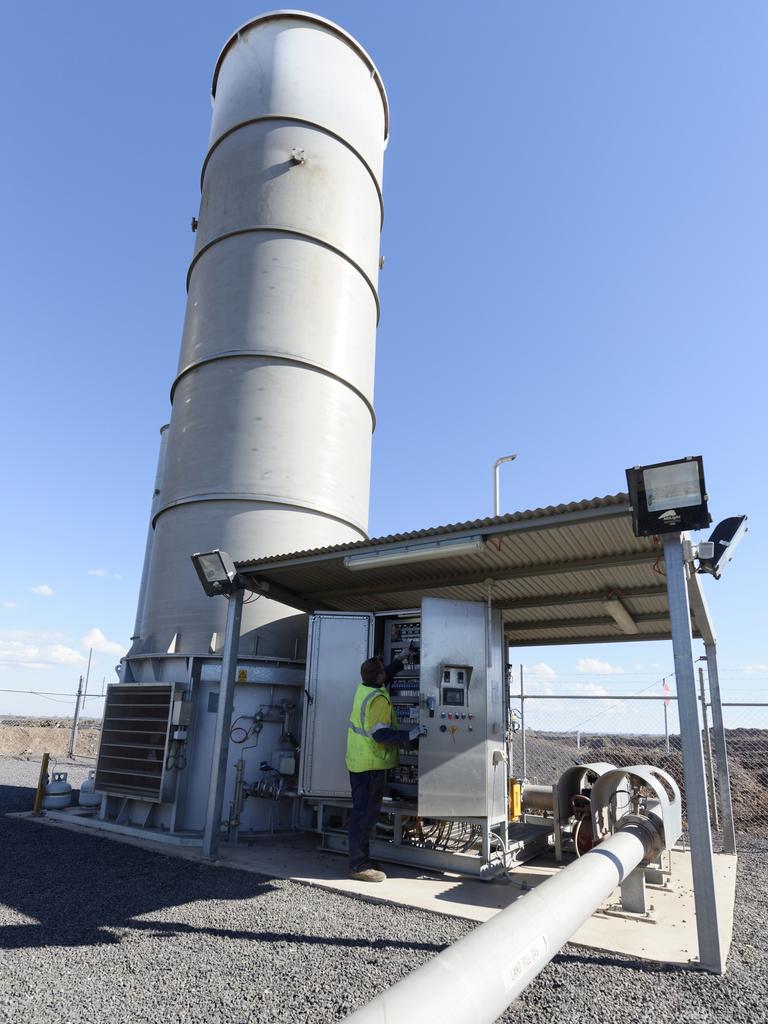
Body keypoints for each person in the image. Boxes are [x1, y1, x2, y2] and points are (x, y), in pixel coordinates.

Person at [345, 655, 426, 882]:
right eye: (383, 670)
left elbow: (383, 675)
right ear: (378, 676)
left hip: (360, 762)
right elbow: (381, 735)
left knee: (364, 814)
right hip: (370, 765)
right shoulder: (378, 700)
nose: (385, 673)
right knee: (365, 816)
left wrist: (401, 662)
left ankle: (363, 859)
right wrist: (411, 736)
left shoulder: (365, 688)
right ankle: (358, 865)